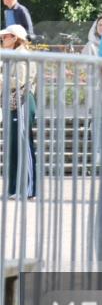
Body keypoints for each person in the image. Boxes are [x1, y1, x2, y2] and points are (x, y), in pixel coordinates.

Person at [1, 25, 36, 199]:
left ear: (15, 38)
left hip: (22, 101)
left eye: (5, 37)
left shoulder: (22, 55)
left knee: (24, 145)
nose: (2, 39)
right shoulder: (12, 56)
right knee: (14, 146)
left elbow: (20, 81)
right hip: (14, 102)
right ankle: (15, 188)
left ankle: (29, 189)